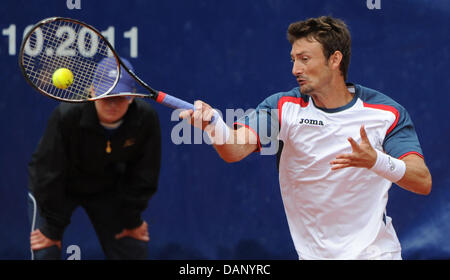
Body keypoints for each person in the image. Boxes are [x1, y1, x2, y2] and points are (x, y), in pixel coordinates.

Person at [179, 16, 432, 260]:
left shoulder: (387, 113)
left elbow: (422, 180)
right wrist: (214, 125)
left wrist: (376, 160)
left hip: (376, 255)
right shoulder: (283, 107)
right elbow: (234, 149)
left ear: (335, 59)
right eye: (293, 59)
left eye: (304, 59)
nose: (295, 69)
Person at [27, 57, 161, 260]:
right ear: (92, 91)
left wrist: (131, 219)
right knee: (45, 247)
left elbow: (144, 175)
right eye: (106, 94)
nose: (112, 103)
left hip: (107, 187)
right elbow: (47, 173)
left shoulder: (145, 119)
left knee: (132, 244)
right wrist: (52, 228)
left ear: (131, 97)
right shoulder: (67, 116)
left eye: (119, 96)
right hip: (59, 188)